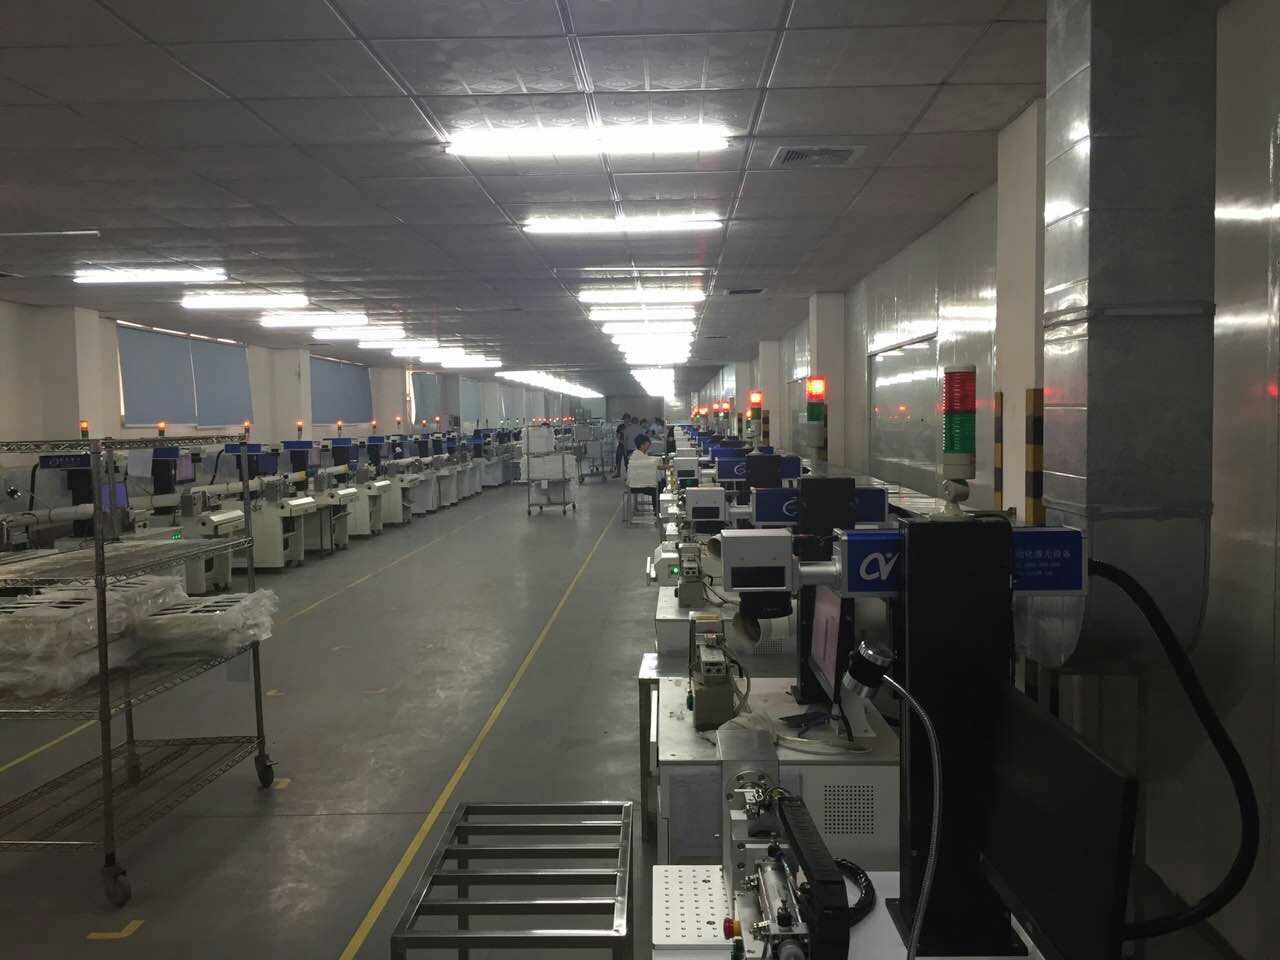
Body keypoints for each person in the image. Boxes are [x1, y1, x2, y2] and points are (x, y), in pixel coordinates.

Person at [626, 434, 663, 517]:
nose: (649, 445)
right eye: (647, 444)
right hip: (636, 486)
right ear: (642, 445)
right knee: (658, 488)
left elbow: (649, 462)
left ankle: (657, 510)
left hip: (636, 484)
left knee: (660, 484)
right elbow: (651, 464)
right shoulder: (638, 456)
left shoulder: (639, 454)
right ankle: (657, 512)